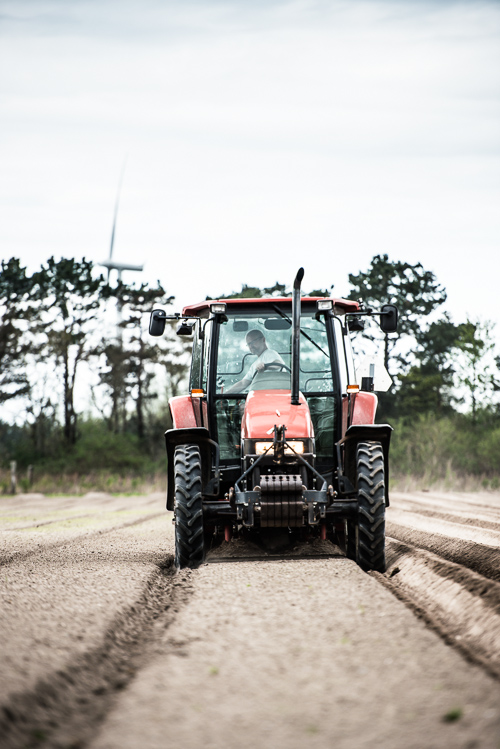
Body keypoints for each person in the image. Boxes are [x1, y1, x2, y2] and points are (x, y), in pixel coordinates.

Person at [226, 329, 285, 394]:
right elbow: (243, 383)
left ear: (263, 340)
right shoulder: (254, 365)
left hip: (276, 393)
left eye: (253, 342)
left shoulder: (270, 353)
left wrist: (265, 366)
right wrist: (225, 395)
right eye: (248, 344)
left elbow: (279, 364)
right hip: (262, 395)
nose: (251, 346)